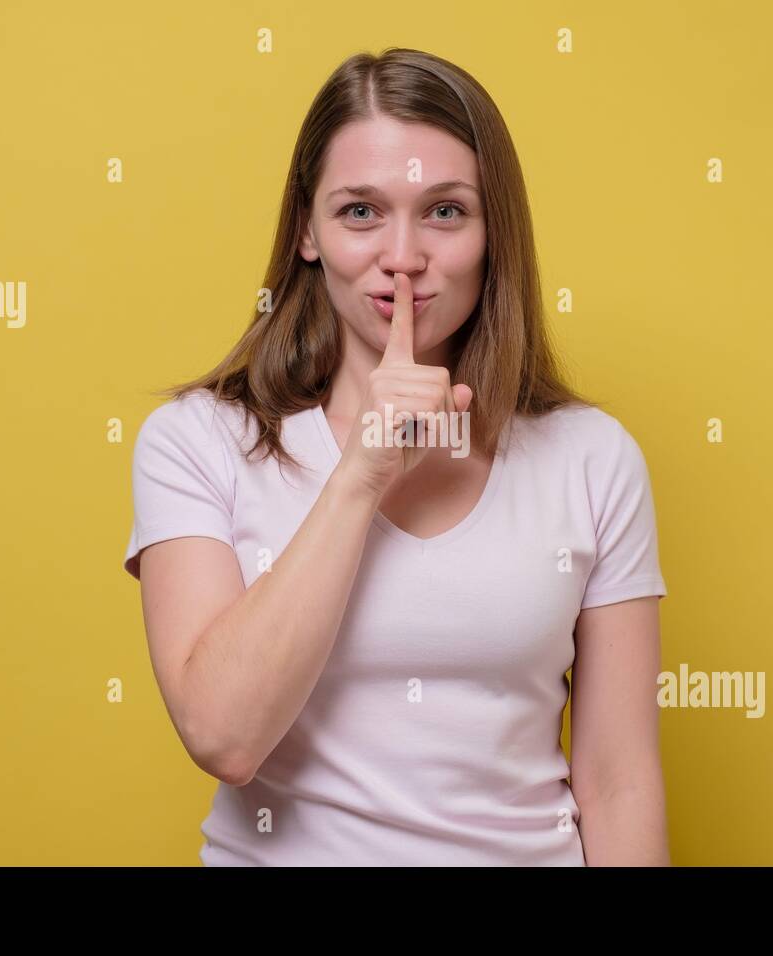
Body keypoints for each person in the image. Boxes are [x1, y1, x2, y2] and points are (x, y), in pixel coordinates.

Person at [123, 48, 670, 866]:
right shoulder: (198, 442)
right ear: (306, 231)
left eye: (446, 212)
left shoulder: (592, 458)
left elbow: (618, 778)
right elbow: (224, 735)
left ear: (494, 236)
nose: (404, 256)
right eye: (360, 212)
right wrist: (361, 475)